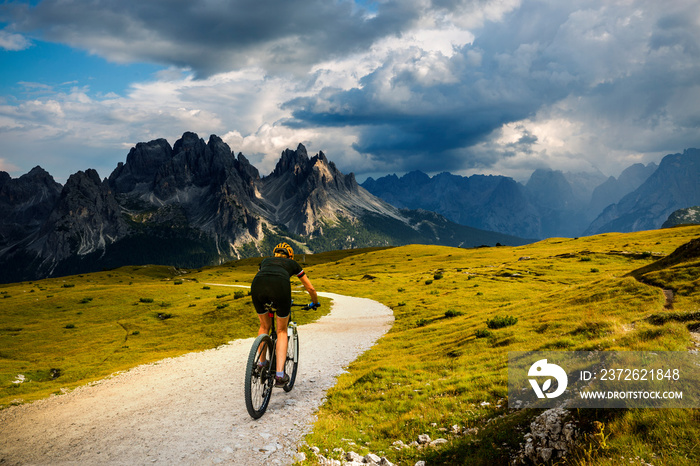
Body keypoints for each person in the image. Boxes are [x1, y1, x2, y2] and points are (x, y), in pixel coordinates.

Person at [251, 242, 319, 387]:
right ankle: (280, 375)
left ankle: (261, 364)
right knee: (282, 330)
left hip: (257, 286)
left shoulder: (265, 261)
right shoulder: (293, 264)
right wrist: (315, 302)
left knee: (264, 326)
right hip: (280, 288)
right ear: (290, 256)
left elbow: (263, 277)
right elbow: (311, 288)